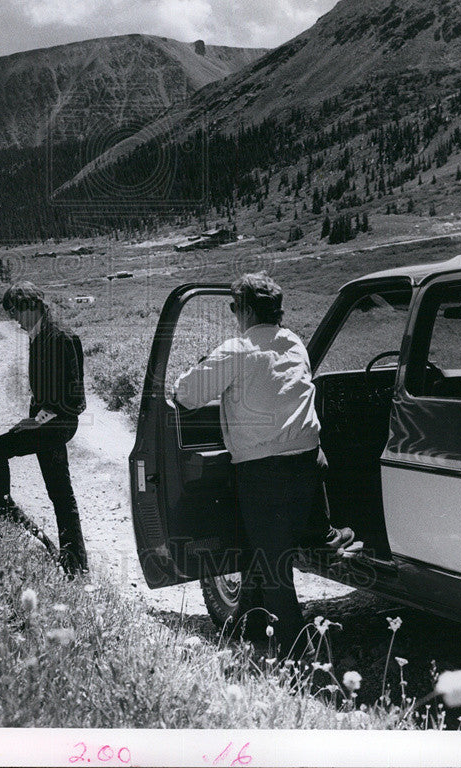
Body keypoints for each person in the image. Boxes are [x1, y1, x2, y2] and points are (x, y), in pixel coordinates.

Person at [173, 271, 347, 659]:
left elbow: (185, 395)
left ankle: (297, 657)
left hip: (264, 474)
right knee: (284, 543)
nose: (235, 314)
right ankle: (324, 534)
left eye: (236, 308)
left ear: (246, 310)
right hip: (309, 464)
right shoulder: (294, 342)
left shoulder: (237, 350)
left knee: (273, 569)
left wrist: (206, 364)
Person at [0, 282, 88, 576]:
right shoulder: (38, 334)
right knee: (60, 491)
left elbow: (75, 398)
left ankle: (4, 516)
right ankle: (76, 563)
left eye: (15, 312)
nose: (14, 319)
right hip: (45, 422)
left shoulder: (62, 336)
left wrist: (38, 419)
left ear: (31, 305)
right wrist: (36, 416)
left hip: (57, 424)